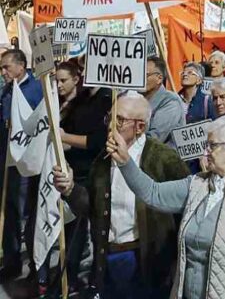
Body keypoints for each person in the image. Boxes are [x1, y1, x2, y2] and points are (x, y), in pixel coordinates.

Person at [107, 111, 225, 299]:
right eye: (206, 145)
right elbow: (153, 193)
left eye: (212, 146)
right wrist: (126, 162)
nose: (205, 151)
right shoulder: (196, 184)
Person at [52, 91, 189, 297]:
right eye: (110, 117)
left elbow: (185, 212)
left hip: (148, 264)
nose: (110, 125)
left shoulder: (164, 159)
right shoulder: (103, 158)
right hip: (107, 258)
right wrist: (70, 189)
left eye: (120, 120)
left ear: (140, 127)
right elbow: (91, 208)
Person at [56, 61, 111, 290]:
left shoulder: (108, 99)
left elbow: (96, 142)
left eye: (91, 68)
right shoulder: (82, 98)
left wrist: (64, 137)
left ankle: (94, 282)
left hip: (94, 173)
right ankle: (68, 277)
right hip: (74, 170)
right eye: (84, 69)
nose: (85, 74)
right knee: (73, 229)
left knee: (93, 230)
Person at [0, 48, 43, 281]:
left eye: (6, 67)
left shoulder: (36, 89)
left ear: (21, 65)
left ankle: (37, 267)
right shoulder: (6, 90)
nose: (3, 72)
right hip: (6, 160)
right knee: (10, 211)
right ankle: (11, 260)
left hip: (27, 162)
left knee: (25, 212)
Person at [143, 56, 185, 144]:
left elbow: (154, 139)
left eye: (145, 75)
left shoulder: (171, 102)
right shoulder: (137, 98)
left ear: (159, 78)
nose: (140, 79)